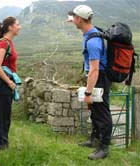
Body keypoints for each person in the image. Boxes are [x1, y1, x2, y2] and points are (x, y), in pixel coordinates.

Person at [67, 5, 112, 160]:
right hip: (96, 77)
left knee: (102, 112)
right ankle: (94, 139)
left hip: (99, 78)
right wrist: (71, 18)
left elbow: (94, 70)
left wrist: (87, 93)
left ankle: (104, 148)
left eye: (74, 18)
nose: (73, 21)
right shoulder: (90, 30)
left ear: (80, 19)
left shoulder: (93, 42)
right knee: (94, 110)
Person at [0, 16, 21, 150]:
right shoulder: (3, 43)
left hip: (5, 85)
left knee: (5, 116)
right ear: (10, 27)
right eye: (17, 24)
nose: (20, 27)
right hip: (2, 85)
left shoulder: (9, 42)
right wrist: (9, 82)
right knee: (1, 116)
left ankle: (3, 144)